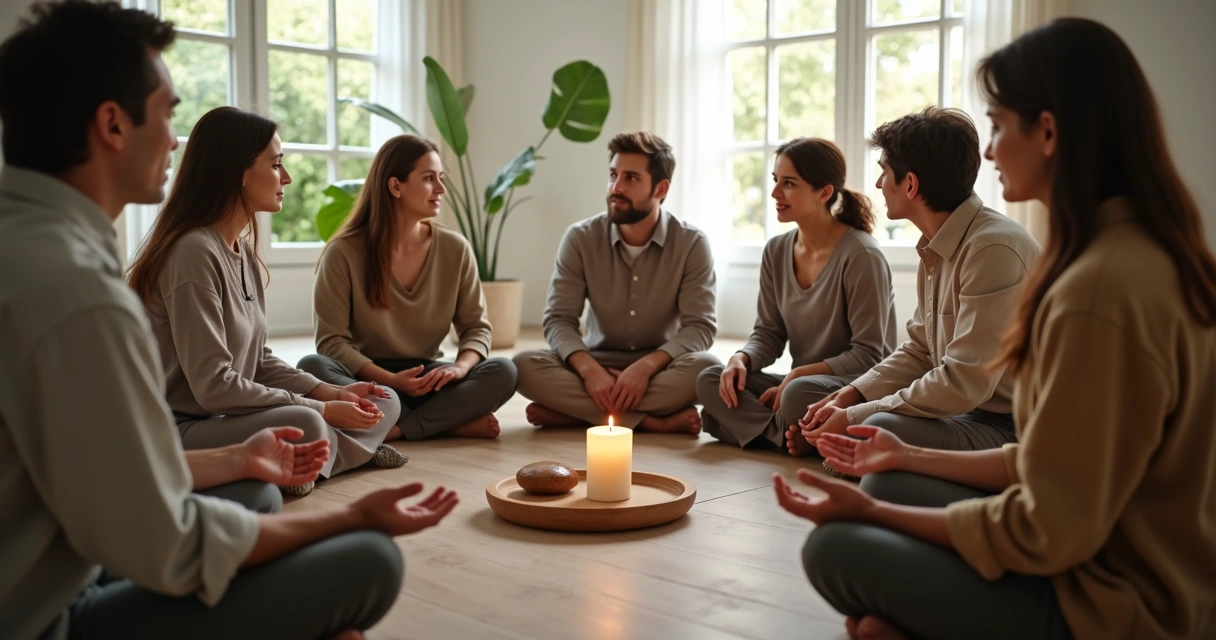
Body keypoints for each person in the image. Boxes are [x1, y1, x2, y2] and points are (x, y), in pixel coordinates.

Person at [0, 3, 457, 638]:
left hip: (74, 541)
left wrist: (248, 453)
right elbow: (165, 543)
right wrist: (349, 520)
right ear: (112, 125)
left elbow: (123, 482)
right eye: (167, 114)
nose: (173, 138)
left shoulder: (32, 245)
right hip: (50, 612)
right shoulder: (78, 292)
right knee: (371, 560)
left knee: (260, 489)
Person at [776, 18, 1216, 640]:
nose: (988, 152)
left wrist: (876, 511)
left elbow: (1048, 523)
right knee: (889, 467)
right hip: (1094, 543)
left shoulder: (1095, 286)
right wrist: (884, 435)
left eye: (999, 126)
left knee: (834, 550)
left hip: (1116, 601)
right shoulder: (1131, 253)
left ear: (1049, 132)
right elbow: (1052, 465)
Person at [127, 106, 407, 496]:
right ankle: (341, 453)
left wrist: (333, 393)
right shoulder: (193, 252)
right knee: (306, 423)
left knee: (385, 399)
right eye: (276, 165)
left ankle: (316, 460)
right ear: (239, 172)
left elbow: (258, 360)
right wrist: (322, 410)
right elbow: (214, 387)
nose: (287, 178)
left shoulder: (242, 253)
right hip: (183, 429)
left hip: (229, 416)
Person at [790, 107, 1042, 466]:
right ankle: (861, 459)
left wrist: (855, 417)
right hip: (963, 413)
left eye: (884, 173)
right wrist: (852, 394)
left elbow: (962, 384)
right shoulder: (937, 244)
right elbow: (920, 351)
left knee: (878, 426)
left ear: (910, 184)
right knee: (807, 397)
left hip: (1009, 428)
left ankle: (866, 462)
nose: (878, 185)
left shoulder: (992, 249)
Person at [300, 134, 518, 441]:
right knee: (312, 366)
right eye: (429, 178)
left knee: (504, 371)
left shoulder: (455, 249)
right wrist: (391, 380)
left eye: (440, 178)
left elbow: (476, 329)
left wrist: (459, 368)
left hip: (426, 378)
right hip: (368, 378)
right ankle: (446, 422)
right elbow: (331, 343)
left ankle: (398, 428)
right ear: (395, 186)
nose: (441, 189)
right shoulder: (343, 253)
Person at [696, 138, 896, 450]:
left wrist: (800, 374)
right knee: (711, 379)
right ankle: (792, 435)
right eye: (776, 181)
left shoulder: (861, 255)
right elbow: (769, 333)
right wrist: (741, 358)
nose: (775, 193)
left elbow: (869, 356)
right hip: (799, 383)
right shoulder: (776, 251)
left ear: (824, 193)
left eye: (789, 183)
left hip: (851, 385)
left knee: (796, 394)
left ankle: (749, 429)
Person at [513, 131, 719, 433]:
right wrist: (589, 371)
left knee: (707, 368)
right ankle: (648, 422)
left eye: (631, 178)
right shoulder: (580, 238)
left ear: (660, 188)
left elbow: (700, 327)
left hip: (663, 367)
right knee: (522, 365)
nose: (616, 188)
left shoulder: (691, 243)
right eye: (613, 175)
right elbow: (558, 319)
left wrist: (647, 367)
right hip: (595, 360)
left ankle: (579, 415)